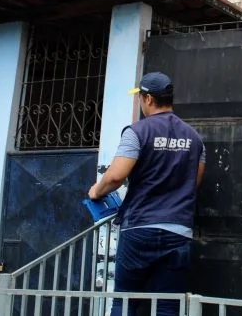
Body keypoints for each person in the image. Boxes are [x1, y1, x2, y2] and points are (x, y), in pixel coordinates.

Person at [88, 72, 205, 316]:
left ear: (149, 99)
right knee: (168, 306)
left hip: (139, 228)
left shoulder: (137, 132)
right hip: (178, 231)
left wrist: (96, 191)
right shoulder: (195, 139)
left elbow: (116, 176)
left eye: (140, 98)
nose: (140, 102)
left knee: (125, 302)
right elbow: (194, 183)